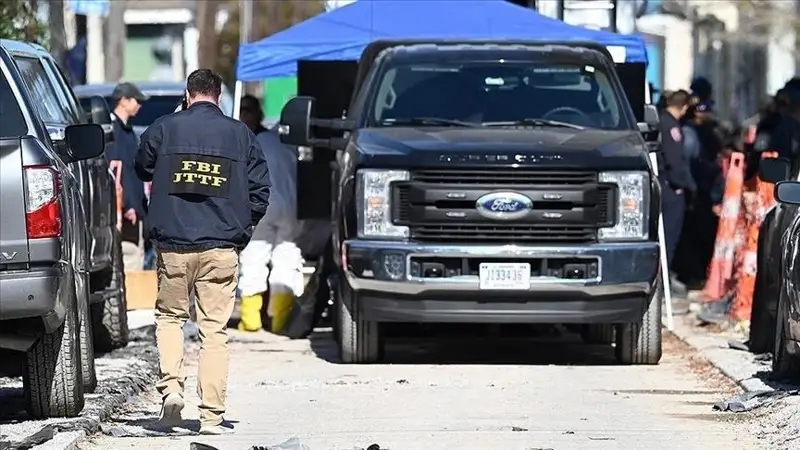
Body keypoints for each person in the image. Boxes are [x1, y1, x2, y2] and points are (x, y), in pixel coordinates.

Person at [134, 69, 270, 435]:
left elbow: (142, 166)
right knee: (214, 331)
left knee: (170, 319)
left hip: (174, 245)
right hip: (221, 247)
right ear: (220, 97)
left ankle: (172, 389)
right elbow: (261, 190)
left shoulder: (165, 127)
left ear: (187, 94)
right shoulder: (240, 134)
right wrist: (243, 228)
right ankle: (211, 415)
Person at [236, 95, 305, 333]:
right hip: (292, 206)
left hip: (261, 205)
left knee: (254, 259)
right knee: (286, 260)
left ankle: (250, 319)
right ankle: (279, 321)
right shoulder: (291, 143)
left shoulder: (253, 140)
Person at [107, 82, 149, 270]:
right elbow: (117, 173)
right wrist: (127, 205)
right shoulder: (112, 131)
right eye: (136, 100)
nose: (139, 105)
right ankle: (131, 299)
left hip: (136, 207)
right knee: (130, 256)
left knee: (137, 254)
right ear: (123, 100)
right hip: (124, 210)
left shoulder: (128, 131)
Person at [658, 90, 695, 277]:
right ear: (684, 107)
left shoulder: (660, 121)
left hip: (664, 184)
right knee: (669, 236)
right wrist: (682, 185)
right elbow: (674, 160)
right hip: (671, 188)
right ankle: (664, 279)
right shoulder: (671, 126)